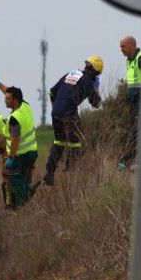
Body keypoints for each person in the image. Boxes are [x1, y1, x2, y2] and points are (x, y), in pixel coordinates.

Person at [44, 56, 103, 186]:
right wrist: (96, 88)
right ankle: (70, 171)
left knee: (59, 142)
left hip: (56, 112)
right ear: (95, 72)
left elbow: (52, 92)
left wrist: (56, 108)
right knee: (77, 141)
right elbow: (95, 103)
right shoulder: (88, 81)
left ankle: (49, 172)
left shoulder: (70, 74)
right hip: (69, 113)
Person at [4, 86, 40, 207]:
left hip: (20, 155)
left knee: (17, 180)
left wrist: (11, 157)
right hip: (32, 152)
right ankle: (28, 195)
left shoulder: (15, 118)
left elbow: (16, 138)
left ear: (15, 100)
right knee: (25, 179)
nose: (5, 100)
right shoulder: (26, 106)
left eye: (8, 99)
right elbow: (8, 90)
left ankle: (22, 207)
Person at [119, 35, 141, 167]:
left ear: (131, 45)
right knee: (132, 130)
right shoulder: (129, 60)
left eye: (123, 46)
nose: (121, 49)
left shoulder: (140, 58)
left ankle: (132, 161)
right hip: (133, 100)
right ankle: (129, 161)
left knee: (136, 130)